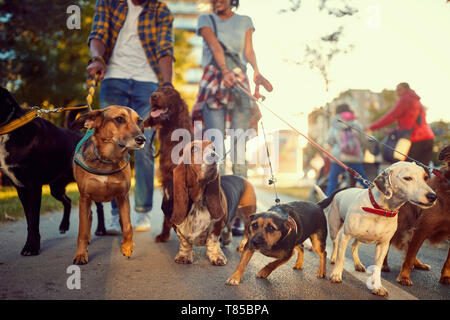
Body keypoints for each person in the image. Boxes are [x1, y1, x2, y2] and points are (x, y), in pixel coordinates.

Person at [86, 0, 174, 233]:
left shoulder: (160, 10)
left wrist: (166, 86)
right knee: (114, 144)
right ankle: (116, 213)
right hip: (114, 79)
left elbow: (165, 49)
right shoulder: (109, 3)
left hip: (148, 84)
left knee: (142, 145)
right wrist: (97, 58)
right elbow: (98, 33)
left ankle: (143, 211)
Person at [192, 0, 272, 235]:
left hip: (239, 80)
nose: (217, 1)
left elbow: (249, 52)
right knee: (215, 147)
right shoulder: (205, 19)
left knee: (238, 148)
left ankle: (239, 214)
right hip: (215, 77)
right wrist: (225, 72)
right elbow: (215, 46)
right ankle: (217, 211)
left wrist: (256, 72)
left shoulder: (245, 21)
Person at [368, 82, 435, 166]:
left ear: (405, 89)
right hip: (429, 136)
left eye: (398, 89)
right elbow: (412, 121)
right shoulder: (416, 101)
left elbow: (392, 116)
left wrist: (372, 127)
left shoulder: (405, 99)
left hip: (415, 138)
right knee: (423, 168)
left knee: (408, 168)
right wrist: (393, 131)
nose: (396, 92)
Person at [325, 103, 369, 196]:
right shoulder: (356, 123)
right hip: (355, 157)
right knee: (363, 179)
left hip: (339, 158)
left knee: (333, 181)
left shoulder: (335, 123)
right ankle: (373, 198)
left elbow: (329, 141)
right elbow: (363, 141)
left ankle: (327, 202)